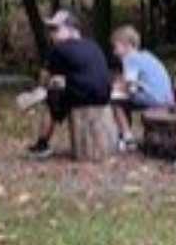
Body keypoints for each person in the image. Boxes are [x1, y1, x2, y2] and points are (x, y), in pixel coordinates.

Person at [25, 10, 113, 160]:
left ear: (72, 30)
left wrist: (39, 92)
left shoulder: (59, 50)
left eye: (56, 29)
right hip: (105, 94)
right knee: (62, 92)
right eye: (51, 30)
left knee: (51, 99)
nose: (52, 34)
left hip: (84, 94)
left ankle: (42, 144)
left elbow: (45, 78)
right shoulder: (93, 45)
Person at [111, 25, 173, 153]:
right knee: (125, 100)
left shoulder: (130, 58)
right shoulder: (146, 56)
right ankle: (124, 133)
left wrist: (116, 89)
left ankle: (128, 138)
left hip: (154, 98)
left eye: (116, 47)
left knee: (116, 101)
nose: (114, 52)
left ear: (126, 45)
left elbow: (130, 85)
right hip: (167, 97)